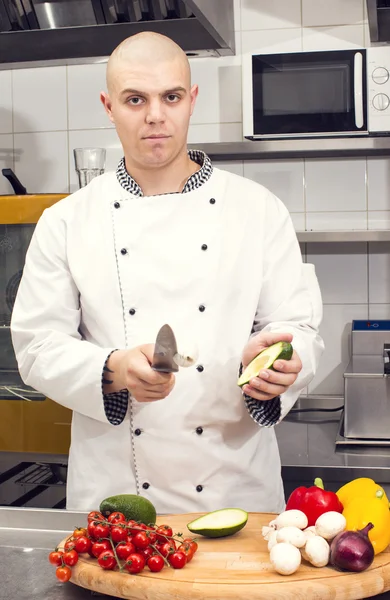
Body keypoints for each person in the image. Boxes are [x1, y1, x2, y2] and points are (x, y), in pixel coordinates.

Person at [11, 32, 324, 515]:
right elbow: (36, 346)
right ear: (109, 106)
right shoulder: (67, 220)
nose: (155, 115)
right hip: (118, 500)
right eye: (135, 99)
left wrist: (283, 363)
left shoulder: (258, 209)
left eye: (171, 97)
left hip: (234, 489)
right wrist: (112, 370)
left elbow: (299, 329)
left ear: (191, 100)